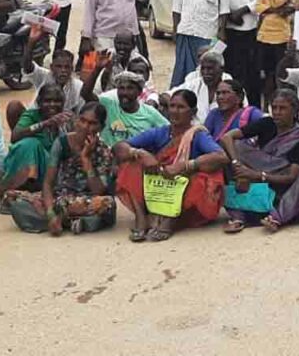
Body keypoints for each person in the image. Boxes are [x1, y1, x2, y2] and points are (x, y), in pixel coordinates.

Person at [113, 89, 230, 242]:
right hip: (158, 188)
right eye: (172, 106)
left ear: (193, 111)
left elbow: (221, 157)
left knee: (206, 176)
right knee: (130, 165)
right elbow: (118, 148)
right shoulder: (160, 132)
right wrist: (140, 153)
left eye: (181, 107)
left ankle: (170, 219)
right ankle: (141, 218)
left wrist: (186, 166)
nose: (175, 111)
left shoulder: (198, 135)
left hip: (183, 193)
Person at [4, 102, 117, 235]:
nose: (85, 127)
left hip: (85, 200)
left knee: (107, 204)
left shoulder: (103, 151)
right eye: (82, 121)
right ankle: (68, 221)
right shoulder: (61, 143)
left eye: (92, 123)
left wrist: (86, 159)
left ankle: (58, 220)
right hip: (59, 198)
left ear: (101, 127)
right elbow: (48, 183)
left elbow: (98, 190)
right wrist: (51, 212)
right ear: (76, 121)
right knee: (11, 197)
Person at [219, 89, 299, 233]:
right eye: (274, 108)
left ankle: (264, 215)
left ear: (295, 111)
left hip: (275, 187)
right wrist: (237, 166)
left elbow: (291, 177)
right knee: (232, 149)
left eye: (282, 108)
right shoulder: (267, 123)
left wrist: (257, 175)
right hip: (248, 178)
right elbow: (227, 137)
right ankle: (238, 215)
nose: (277, 112)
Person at [0, 84, 72, 202]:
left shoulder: (68, 119)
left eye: (57, 101)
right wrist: (45, 124)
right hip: (27, 165)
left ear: (63, 104)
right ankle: (15, 188)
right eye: (47, 101)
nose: (52, 105)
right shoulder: (32, 115)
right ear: (39, 102)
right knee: (30, 144)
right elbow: (15, 136)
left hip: (51, 169)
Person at [82, 51, 167, 146]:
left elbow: (169, 132)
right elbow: (86, 94)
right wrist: (97, 69)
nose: (125, 93)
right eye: (121, 88)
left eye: (130, 88)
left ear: (139, 92)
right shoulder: (109, 104)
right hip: (106, 157)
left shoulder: (150, 113)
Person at [9, 28, 85, 130]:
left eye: (67, 67)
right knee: (14, 107)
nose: (63, 70)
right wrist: (31, 42)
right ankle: (18, 141)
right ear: (51, 67)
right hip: (37, 120)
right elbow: (27, 66)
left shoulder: (78, 86)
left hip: (62, 127)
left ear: (72, 69)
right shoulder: (44, 76)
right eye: (59, 66)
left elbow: (82, 116)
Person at [254, 0, 298, 103]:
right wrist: (277, 10)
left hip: (281, 36)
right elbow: (259, 6)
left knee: (280, 74)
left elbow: (277, 1)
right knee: (265, 74)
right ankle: (266, 106)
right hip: (264, 34)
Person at [222, 0, 262, 105]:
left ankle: (251, 107)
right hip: (230, 28)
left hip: (249, 29)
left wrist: (243, 10)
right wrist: (230, 15)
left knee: (250, 73)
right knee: (231, 70)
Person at [168, 51, 229, 124]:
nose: (205, 72)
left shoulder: (232, 87)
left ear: (221, 69)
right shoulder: (195, 84)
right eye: (203, 69)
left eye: (210, 69)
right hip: (193, 131)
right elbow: (168, 94)